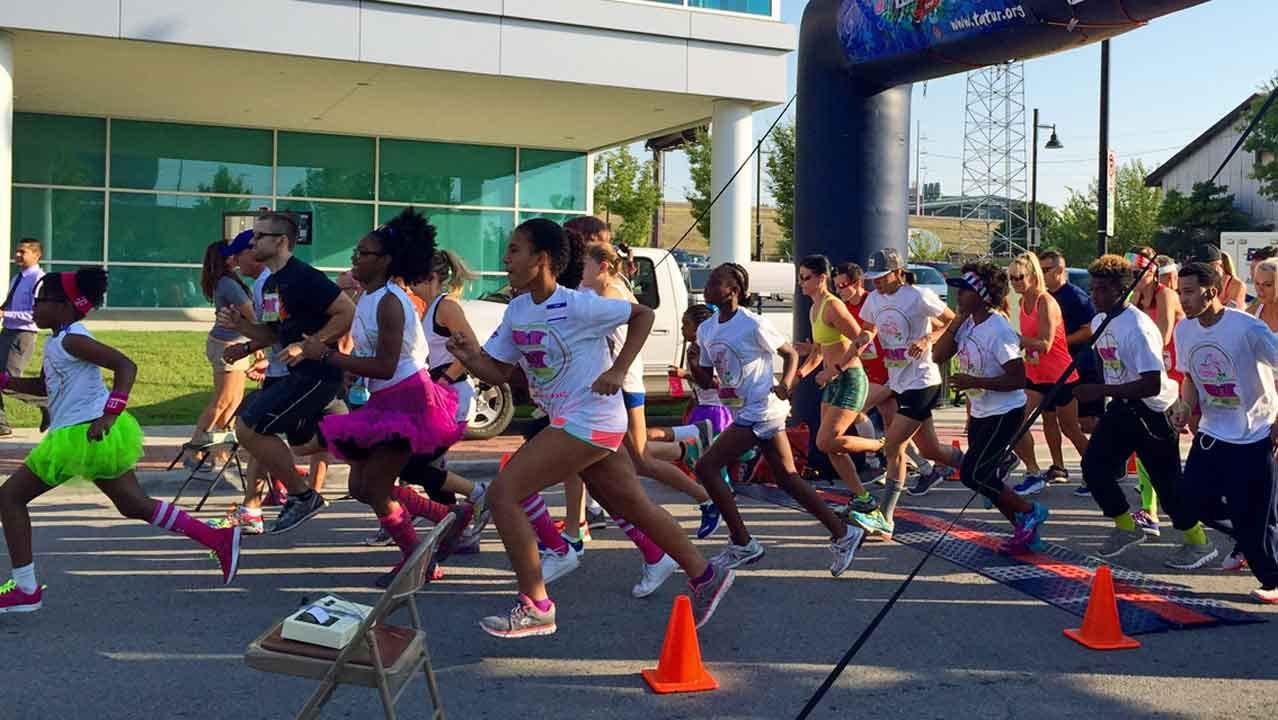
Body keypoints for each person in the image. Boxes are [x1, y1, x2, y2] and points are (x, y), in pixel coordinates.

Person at [447, 218, 734, 638]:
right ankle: (706, 575)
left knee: (504, 492)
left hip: (590, 418)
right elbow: (499, 370)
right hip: (575, 420)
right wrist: (470, 356)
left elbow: (643, 314)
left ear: (541, 259)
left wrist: (618, 371)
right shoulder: (517, 309)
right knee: (632, 506)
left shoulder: (577, 304)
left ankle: (537, 606)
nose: (505, 260)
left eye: (514, 251)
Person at [0, 267, 243, 613]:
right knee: (134, 504)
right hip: (89, 436)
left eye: (40, 302)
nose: (34, 309)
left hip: (84, 434)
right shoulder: (60, 341)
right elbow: (43, 388)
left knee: (9, 497)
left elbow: (125, 365)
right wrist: (5, 381)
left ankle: (25, 589)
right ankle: (216, 537)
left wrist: (111, 413)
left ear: (65, 305)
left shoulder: (73, 338)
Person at [301, 208, 468, 587]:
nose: (354, 259)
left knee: (376, 488)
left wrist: (327, 355)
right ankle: (448, 515)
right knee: (360, 489)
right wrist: (346, 371)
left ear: (386, 261)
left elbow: (387, 365)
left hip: (406, 400)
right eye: (356, 252)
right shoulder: (369, 298)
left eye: (363, 253)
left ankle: (418, 560)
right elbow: (369, 360)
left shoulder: (392, 301)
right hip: (381, 400)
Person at [691, 262, 866, 577]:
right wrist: (692, 365)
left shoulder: (752, 323)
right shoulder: (707, 329)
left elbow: (790, 353)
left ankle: (743, 543)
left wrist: (787, 383)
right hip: (743, 409)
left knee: (705, 467)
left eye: (716, 280)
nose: (708, 285)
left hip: (762, 409)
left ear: (734, 289)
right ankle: (843, 532)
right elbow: (707, 378)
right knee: (787, 477)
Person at [582, 241, 722, 582]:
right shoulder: (611, 287)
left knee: (639, 460)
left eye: (583, 265)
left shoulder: (610, 295)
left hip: (626, 385)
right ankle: (694, 470)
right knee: (630, 460)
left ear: (601, 266)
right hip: (617, 386)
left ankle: (704, 497)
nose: (579, 273)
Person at [218, 211, 356, 535]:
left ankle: (302, 495)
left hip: (317, 374)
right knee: (300, 443)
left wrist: (310, 344)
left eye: (259, 236)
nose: (252, 243)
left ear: (280, 241)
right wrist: (243, 334)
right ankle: (361, 442)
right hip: (295, 374)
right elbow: (272, 334)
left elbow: (347, 312)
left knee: (249, 427)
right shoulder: (271, 283)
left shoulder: (305, 277)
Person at [1074, 254, 1216, 567]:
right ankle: (1126, 527)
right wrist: (1100, 392)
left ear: (1120, 291)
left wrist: (1101, 391)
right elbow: (1106, 366)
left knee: (1167, 484)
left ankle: (1199, 541)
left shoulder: (1137, 328)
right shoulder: (1100, 321)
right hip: (1123, 407)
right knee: (1094, 467)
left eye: (1101, 290)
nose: (1093, 295)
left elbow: (1151, 384)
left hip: (1154, 410)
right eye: (1092, 288)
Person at [1173, 261, 1278, 601]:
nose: (1183, 300)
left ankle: (1272, 579)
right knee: (1189, 503)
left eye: (1189, 292)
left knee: (1254, 519)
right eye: (1179, 292)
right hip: (1212, 431)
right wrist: (1185, 406)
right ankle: (1250, 532)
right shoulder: (1184, 330)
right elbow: (1189, 377)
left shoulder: (1248, 329)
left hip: (1254, 433)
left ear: (1212, 292)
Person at [934, 262, 1049, 552]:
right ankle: (1024, 531)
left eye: (965, 291)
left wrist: (976, 380)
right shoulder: (969, 323)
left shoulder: (998, 329)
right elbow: (938, 355)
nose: (958, 296)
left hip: (1005, 412)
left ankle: (1030, 511)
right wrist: (956, 323)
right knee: (984, 477)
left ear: (983, 295)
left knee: (974, 474)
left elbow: (1017, 377)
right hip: (982, 411)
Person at [849, 248, 962, 539]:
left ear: (898, 272)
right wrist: (861, 341)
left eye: (882, 277)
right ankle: (982, 466)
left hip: (923, 381)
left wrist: (928, 338)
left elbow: (954, 320)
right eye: (873, 277)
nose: (877, 283)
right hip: (899, 380)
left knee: (893, 445)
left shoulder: (918, 296)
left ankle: (885, 516)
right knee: (930, 450)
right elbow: (868, 328)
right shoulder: (874, 299)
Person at [793, 255, 884, 509]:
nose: (800, 283)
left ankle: (881, 445)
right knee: (832, 447)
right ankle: (863, 498)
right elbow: (819, 351)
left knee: (825, 441)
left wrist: (836, 370)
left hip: (849, 379)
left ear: (822, 278)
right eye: (799, 278)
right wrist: (799, 376)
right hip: (833, 382)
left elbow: (862, 339)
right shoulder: (814, 308)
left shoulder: (833, 306)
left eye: (805, 278)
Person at [1008, 252, 1089, 495]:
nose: (1015, 283)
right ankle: (1033, 472)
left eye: (1019, 277)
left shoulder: (1046, 302)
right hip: (1036, 374)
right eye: (1011, 278)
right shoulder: (1023, 303)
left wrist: (1016, 340)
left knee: (1070, 428)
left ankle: (1097, 470)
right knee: (1017, 421)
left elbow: (1045, 343)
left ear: (1033, 276)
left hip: (1059, 375)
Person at [1129, 246, 1187, 538]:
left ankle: (1186, 507)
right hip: (1152, 375)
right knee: (1146, 441)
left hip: (1175, 377)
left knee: (1169, 445)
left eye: (1138, 272)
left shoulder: (1166, 294)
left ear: (1152, 271)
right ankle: (1150, 511)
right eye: (1131, 273)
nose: (1134, 278)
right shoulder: (1135, 298)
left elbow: (1162, 336)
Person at [185, 237, 256, 470]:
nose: (236, 255)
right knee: (224, 400)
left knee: (233, 401)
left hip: (234, 343)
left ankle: (220, 451)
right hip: (227, 345)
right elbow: (252, 314)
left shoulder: (226, 281)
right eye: (231, 252)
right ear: (225, 258)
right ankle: (195, 448)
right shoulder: (228, 283)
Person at [1039, 249, 1102, 448]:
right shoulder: (1043, 298)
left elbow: (1091, 328)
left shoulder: (1076, 296)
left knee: (1087, 423)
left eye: (1046, 269)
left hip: (1081, 365)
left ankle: (1108, 459)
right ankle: (1058, 466)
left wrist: (1060, 342)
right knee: (1049, 417)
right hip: (1053, 369)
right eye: (1038, 270)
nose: (1041, 274)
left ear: (1060, 270)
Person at [0, 238, 49, 435]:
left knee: (8, 382)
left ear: (37, 255)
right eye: (17, 251)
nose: (17, 255)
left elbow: (35, 313)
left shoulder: (38, 279)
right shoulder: (18, 278)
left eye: (23, 252)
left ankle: (46, 403)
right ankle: (1, 425)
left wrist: (6, 314)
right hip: (7, 332)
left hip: (23, 334)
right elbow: (9, 304)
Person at [1191, 243, 1246, 309]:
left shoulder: (1237, 285)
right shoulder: (1198, 282)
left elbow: (1229, 314)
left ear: (1219, 265)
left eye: (1205, 267)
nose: (1201, 270)